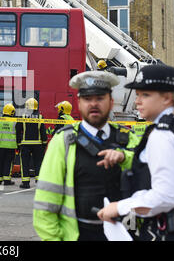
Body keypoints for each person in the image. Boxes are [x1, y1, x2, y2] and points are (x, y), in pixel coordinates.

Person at [97, 64, 174, 241]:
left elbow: (166, 195)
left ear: (167, 97)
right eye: (137, 95)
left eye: (145, 95)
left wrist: (119, 208)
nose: (137, 101)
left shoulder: (163, 134)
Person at [33, 71, 139, 241]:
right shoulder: (63, 142)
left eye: (100, 98)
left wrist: (124, 157)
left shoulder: (128, 139)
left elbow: (149, 179)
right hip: (80, 234)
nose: (93, 104)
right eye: (88, 99)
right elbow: (45, 202)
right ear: (79, 103)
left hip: (125, 233)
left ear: (111, 102)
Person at [15, 98, 48, 189]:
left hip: (25, 144)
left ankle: (25, 183)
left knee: (25, 163)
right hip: (38, 144)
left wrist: (18, 143)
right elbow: (43, 132)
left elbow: (18, 131)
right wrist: (44, 143)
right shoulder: (40, 117)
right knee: (38, 163)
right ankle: (39, 182)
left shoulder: (23, 116)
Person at [0, 103, 17, 186]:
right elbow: (17, 134)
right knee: (8, 163)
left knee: (0, 162)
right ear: (12, 112)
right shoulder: (14, 122)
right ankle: (7, 180)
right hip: (10, 146)